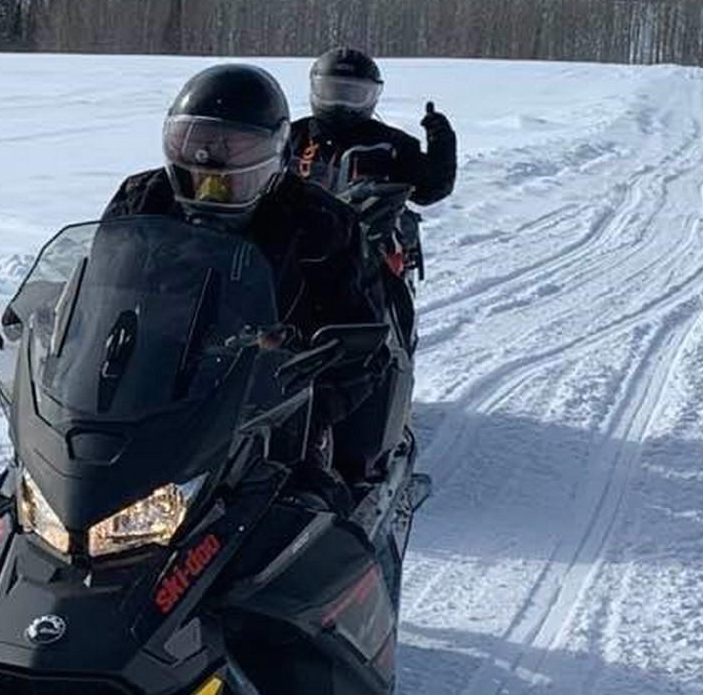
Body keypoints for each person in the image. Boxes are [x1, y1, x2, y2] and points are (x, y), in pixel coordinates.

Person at [104, 63, 386, 489]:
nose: (211, 170)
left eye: (233, 148)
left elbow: (359, 336)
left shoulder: (320, 221)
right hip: (150, 386)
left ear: (274, 154)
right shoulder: (142, 200)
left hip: (269, 403)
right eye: (195, 143)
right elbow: (97, 289)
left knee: (321, 501)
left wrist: (311, 399)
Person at [289, 47, 457, 209]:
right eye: (332, 93)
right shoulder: (293, 136)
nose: (341, 103)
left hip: (368, 233)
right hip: (297, 232)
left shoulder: (391, 145)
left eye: (353, 95)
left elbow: (429, 190)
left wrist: (442, 145)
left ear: (372, 96)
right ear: (316, 89)